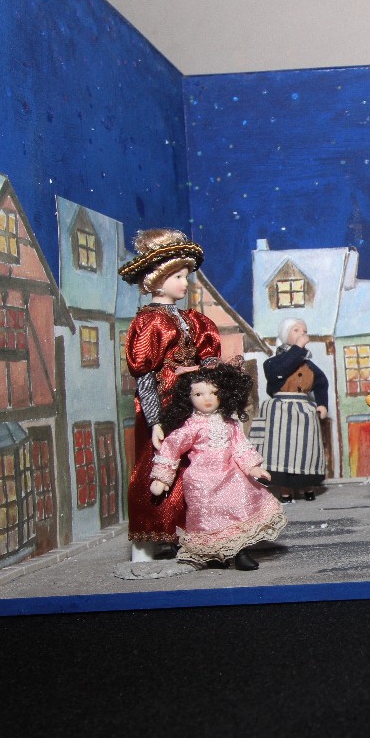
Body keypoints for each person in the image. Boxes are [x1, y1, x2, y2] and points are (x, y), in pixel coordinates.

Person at [118, 229, 222, 562]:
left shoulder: (193, 320)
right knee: (155, 467)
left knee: (193, 466)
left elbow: (208, 356)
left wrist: (207, 371)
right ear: (157, 280)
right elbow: (144, 375)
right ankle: (146, 542)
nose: (184, 283)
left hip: (191, 403)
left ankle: (190, 534)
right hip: (163, 405)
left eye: (185, 276)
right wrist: (154, 420)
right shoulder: (150, 322)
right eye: (177, 276)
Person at [149, 363, 287, 572]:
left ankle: (241, 552)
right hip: (202, 481)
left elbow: (240, 447)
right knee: (207, 518)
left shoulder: (230, 424)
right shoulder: (191, 427)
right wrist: (162, 477)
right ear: (188, 397)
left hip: (231, 475)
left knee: (239, 509)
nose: (207, 399)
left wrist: (253, 468)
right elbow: (171, 446)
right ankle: (213, 555)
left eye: (214, 393)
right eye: (199, 394)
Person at [258, 318, 329, 503]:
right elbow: (281, 370)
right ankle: (285, 491)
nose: (302, 333)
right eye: (296, 330)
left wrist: (322, 403)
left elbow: (321, 382)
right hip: (280, 412)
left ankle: (308, 487)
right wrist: (297, 348)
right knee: (281, 451)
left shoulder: (309, 365)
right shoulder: (273, 363)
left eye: (304, 330)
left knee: (305, 449)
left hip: (304, 412)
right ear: (285, 334)